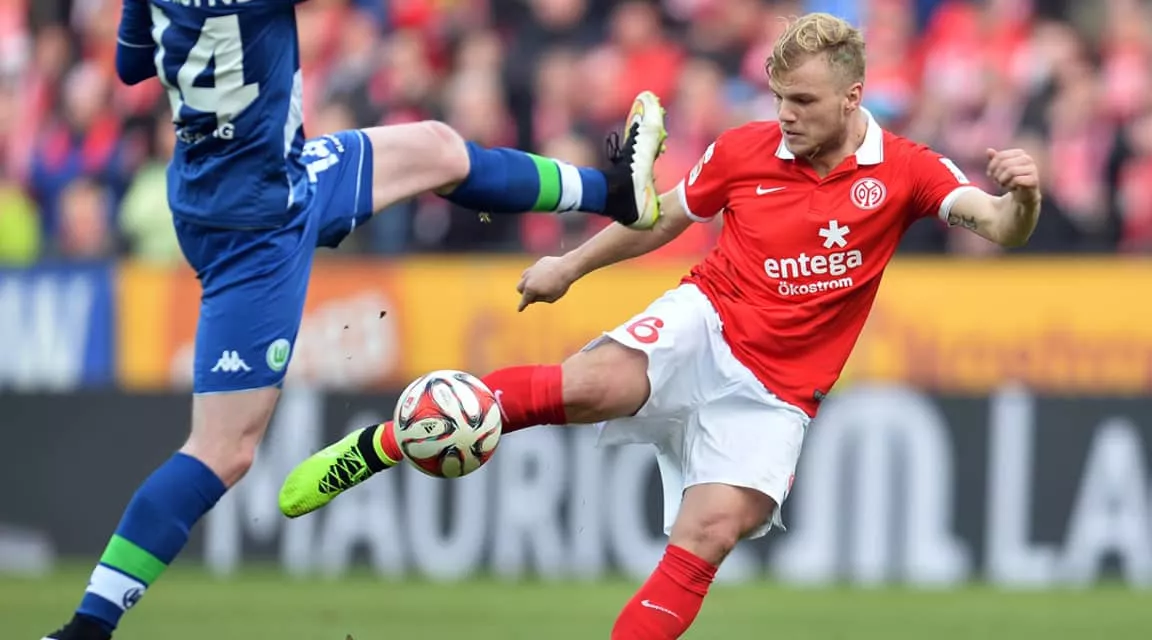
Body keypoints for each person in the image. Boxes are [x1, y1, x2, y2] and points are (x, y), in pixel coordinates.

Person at [279, 12, 1041, 640]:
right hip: (707, 320)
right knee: (591, 387)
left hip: (779, 391)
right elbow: (665, 217)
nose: (785, 115)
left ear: (853, 98)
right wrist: (568, 266)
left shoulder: (906, 168)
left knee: (710, 532)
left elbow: (1000, 226)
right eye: (779, 97)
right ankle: (382, 444)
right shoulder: (745, 150)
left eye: (803, 101)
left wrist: (1024, 197)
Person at [42, 1, 667, 639]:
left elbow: (129, 66)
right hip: (257, 224)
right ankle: (89, 626)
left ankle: (613, 192)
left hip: (245, 180)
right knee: (222, 449)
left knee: (436, 149)